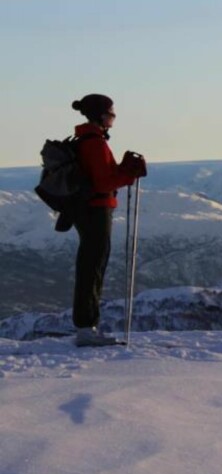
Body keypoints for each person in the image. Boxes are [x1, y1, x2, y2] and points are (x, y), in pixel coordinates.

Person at [70, 94, 146, 347]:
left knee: (90, 264)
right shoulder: (95, 143)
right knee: (93, 265)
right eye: (111, 114)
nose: (113, 119)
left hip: (89, 209)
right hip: (97, 209)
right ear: (101, 116)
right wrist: (128, 173)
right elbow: (103, 182)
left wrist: (123, 171)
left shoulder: (88, 140)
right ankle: (86, 328)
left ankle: (86, 326)